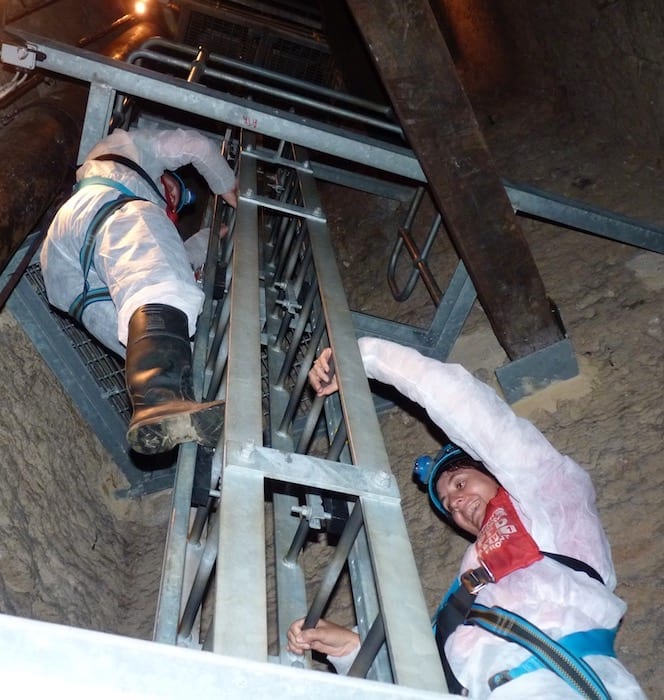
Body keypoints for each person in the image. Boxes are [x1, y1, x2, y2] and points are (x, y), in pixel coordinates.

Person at [287, 337, 645, 699]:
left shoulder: (553, 503)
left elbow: (474, 412)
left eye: (460, 483)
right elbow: (429, 678)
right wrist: (352, 650)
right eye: (447, 503)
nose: (455, 503)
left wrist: (362, 357)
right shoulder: (476, 591)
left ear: (495, 474)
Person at [40, 126, 237, 455]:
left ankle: (172, 411)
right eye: (176, 188)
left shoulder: (150, 225)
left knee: (165, 330)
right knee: (161, 286)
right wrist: (231, 188)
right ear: (166, 177)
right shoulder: (126, 150)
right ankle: (161, 403)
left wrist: (218, 237)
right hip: (100, 208)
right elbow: (195, 145)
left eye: (179, 202)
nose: (175, 197)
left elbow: (179, 260)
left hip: (70, 278)